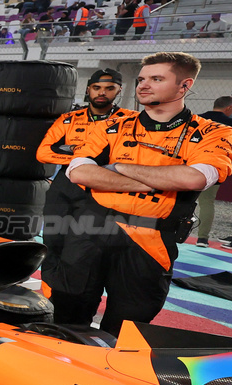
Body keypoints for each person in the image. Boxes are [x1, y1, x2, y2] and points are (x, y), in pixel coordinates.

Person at [56, 53, 232, 336]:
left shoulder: (214, 132)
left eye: (156, 79)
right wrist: (157, 181)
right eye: (141, 79)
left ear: (184, 86)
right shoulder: (111, 126)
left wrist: (119, 167)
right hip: (89, 232)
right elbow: (78, 172)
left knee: (127, 331)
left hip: (150, 242)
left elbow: (196, 177)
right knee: (65, 319)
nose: (143, 86)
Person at [36, 68, 132, 294]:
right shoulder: (69, 119)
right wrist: (84, 160)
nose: (102, 93)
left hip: (101, 190)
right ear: (88, 89)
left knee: (82, 249)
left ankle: (77, 300)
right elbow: (43, 153)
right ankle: (49, 294)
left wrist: (79, 156)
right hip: (64, 187)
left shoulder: (129, 120)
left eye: (110, 88)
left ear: (119, 91)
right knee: (52, 242)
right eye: (97, 88)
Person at [194, 95, 232, 247]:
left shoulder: (197, 119)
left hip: (192, 163)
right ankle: (202, 238)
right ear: (228, 108)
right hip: (215, 166)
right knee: (207, 202)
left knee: (179, 199)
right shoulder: (230, 123)